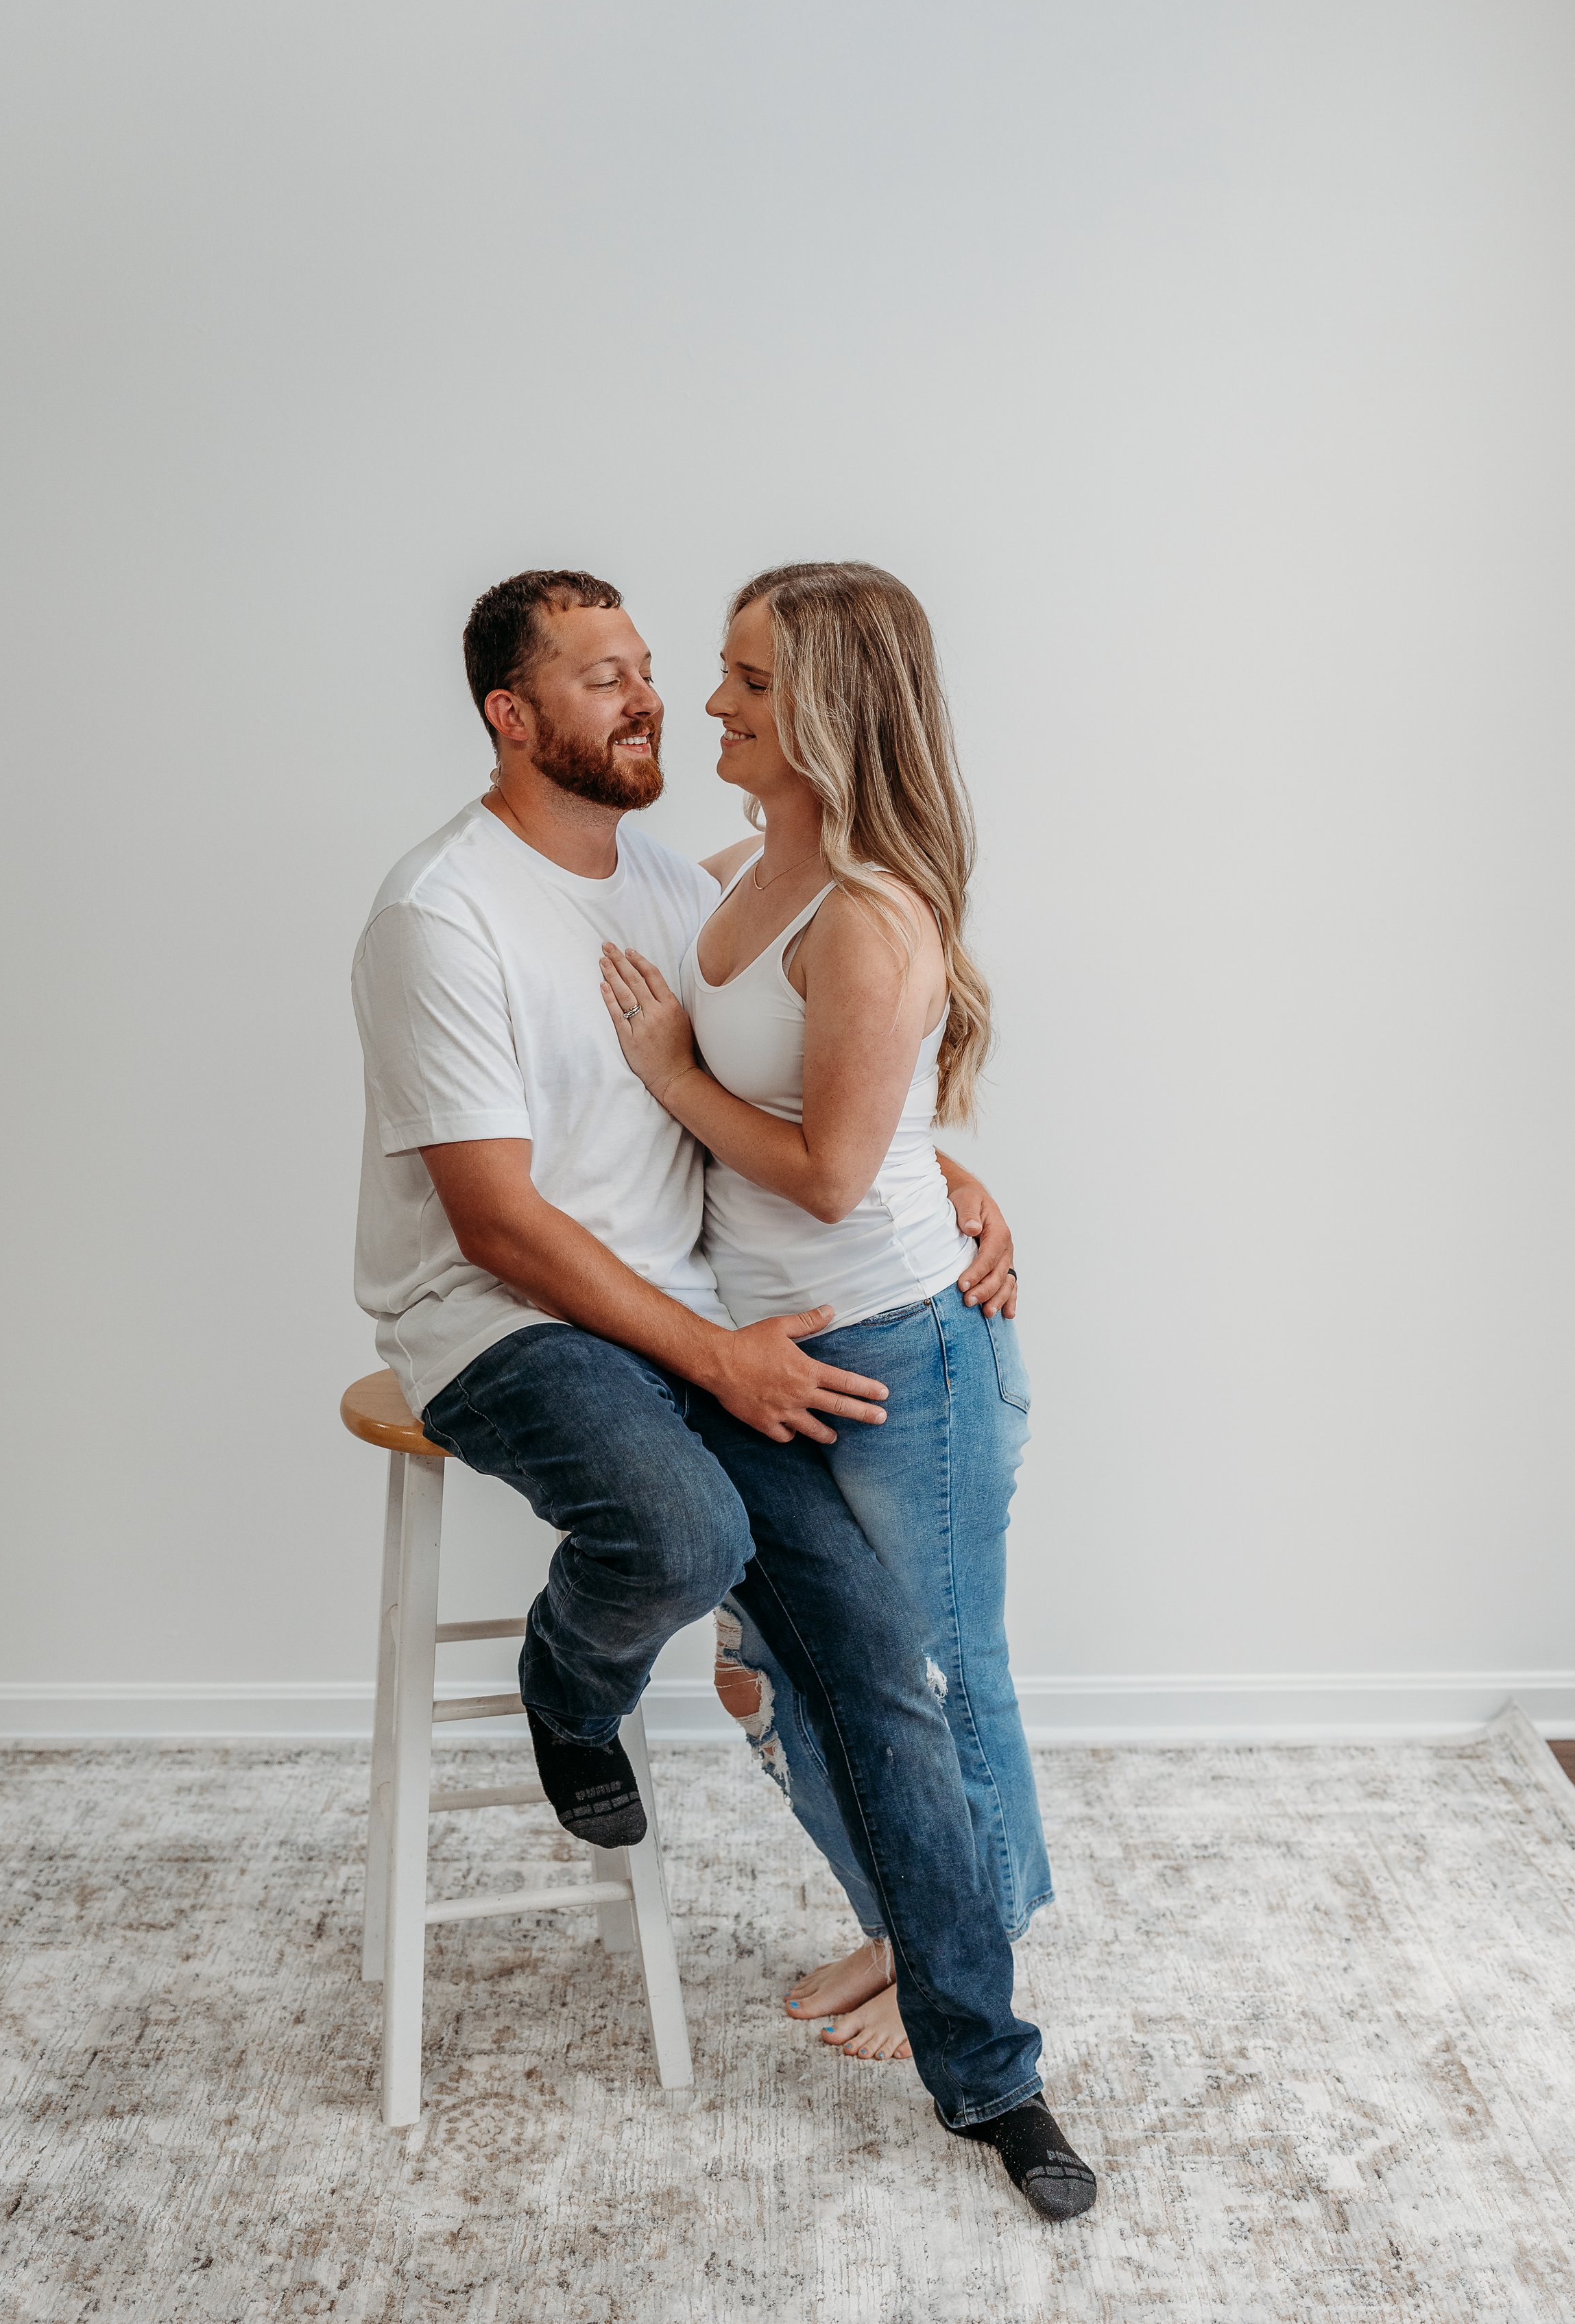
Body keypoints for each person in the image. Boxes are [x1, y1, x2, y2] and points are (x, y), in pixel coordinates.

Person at [351, 567, 1096, 2218]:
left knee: (878, 1668)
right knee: (685, 1533)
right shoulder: (442, 916)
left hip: (694, 1324)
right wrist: (714, 1358)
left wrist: (942, 1167)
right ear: (509, 716)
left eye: (656, 670)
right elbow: (496, 1223)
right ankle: (569, 1690)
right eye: (606, 679)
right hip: (505, 1324)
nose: (657, 704)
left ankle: (991, 2079)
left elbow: (792, 1080)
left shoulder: (674, 885)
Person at [599, 560, 1052, 2080]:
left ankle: (961, 1961)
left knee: (934, 1672)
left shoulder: (867, 912)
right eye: (721, 673)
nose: (706, 704)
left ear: (830, 709)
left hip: (896, 1348)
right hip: (769, 1350)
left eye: (746, 681)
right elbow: (866, 1114)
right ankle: (911, 1920)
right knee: (769, 1666)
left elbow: (832, 1164)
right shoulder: (739, 873)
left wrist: (669, 1072)